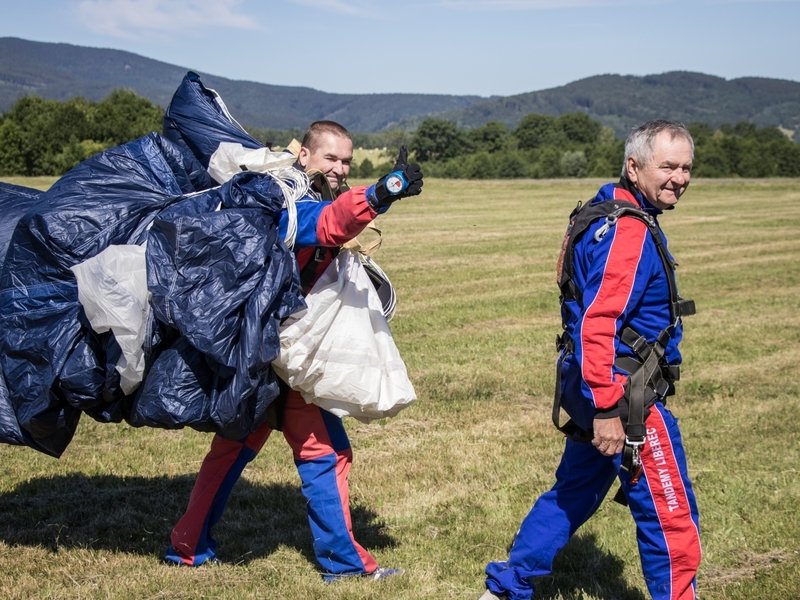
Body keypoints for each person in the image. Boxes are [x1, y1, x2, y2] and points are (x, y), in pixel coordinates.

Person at [164, 120, 423, 582]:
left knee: (232, 449)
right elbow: (326, 224)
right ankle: (342, 565)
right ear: (304, 154)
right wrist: (383, 192)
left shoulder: (294, 191)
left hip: (264, 353)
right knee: (325, 454)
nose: (341, 168)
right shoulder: (288, 198)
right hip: (283, 359)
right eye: (331, 158)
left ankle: (188, 546)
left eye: (347, 160)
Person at [480, 120, 702, 600]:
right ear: (634, 166)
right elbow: (598, 323)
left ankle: (507, 588)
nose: (679, 178)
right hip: (626, 398)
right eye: (667, 166)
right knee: (669, 514)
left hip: (590, 384)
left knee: (573, 492)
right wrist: (607, 407)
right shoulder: (627, 232)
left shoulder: (601, 213)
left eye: (686, 168)